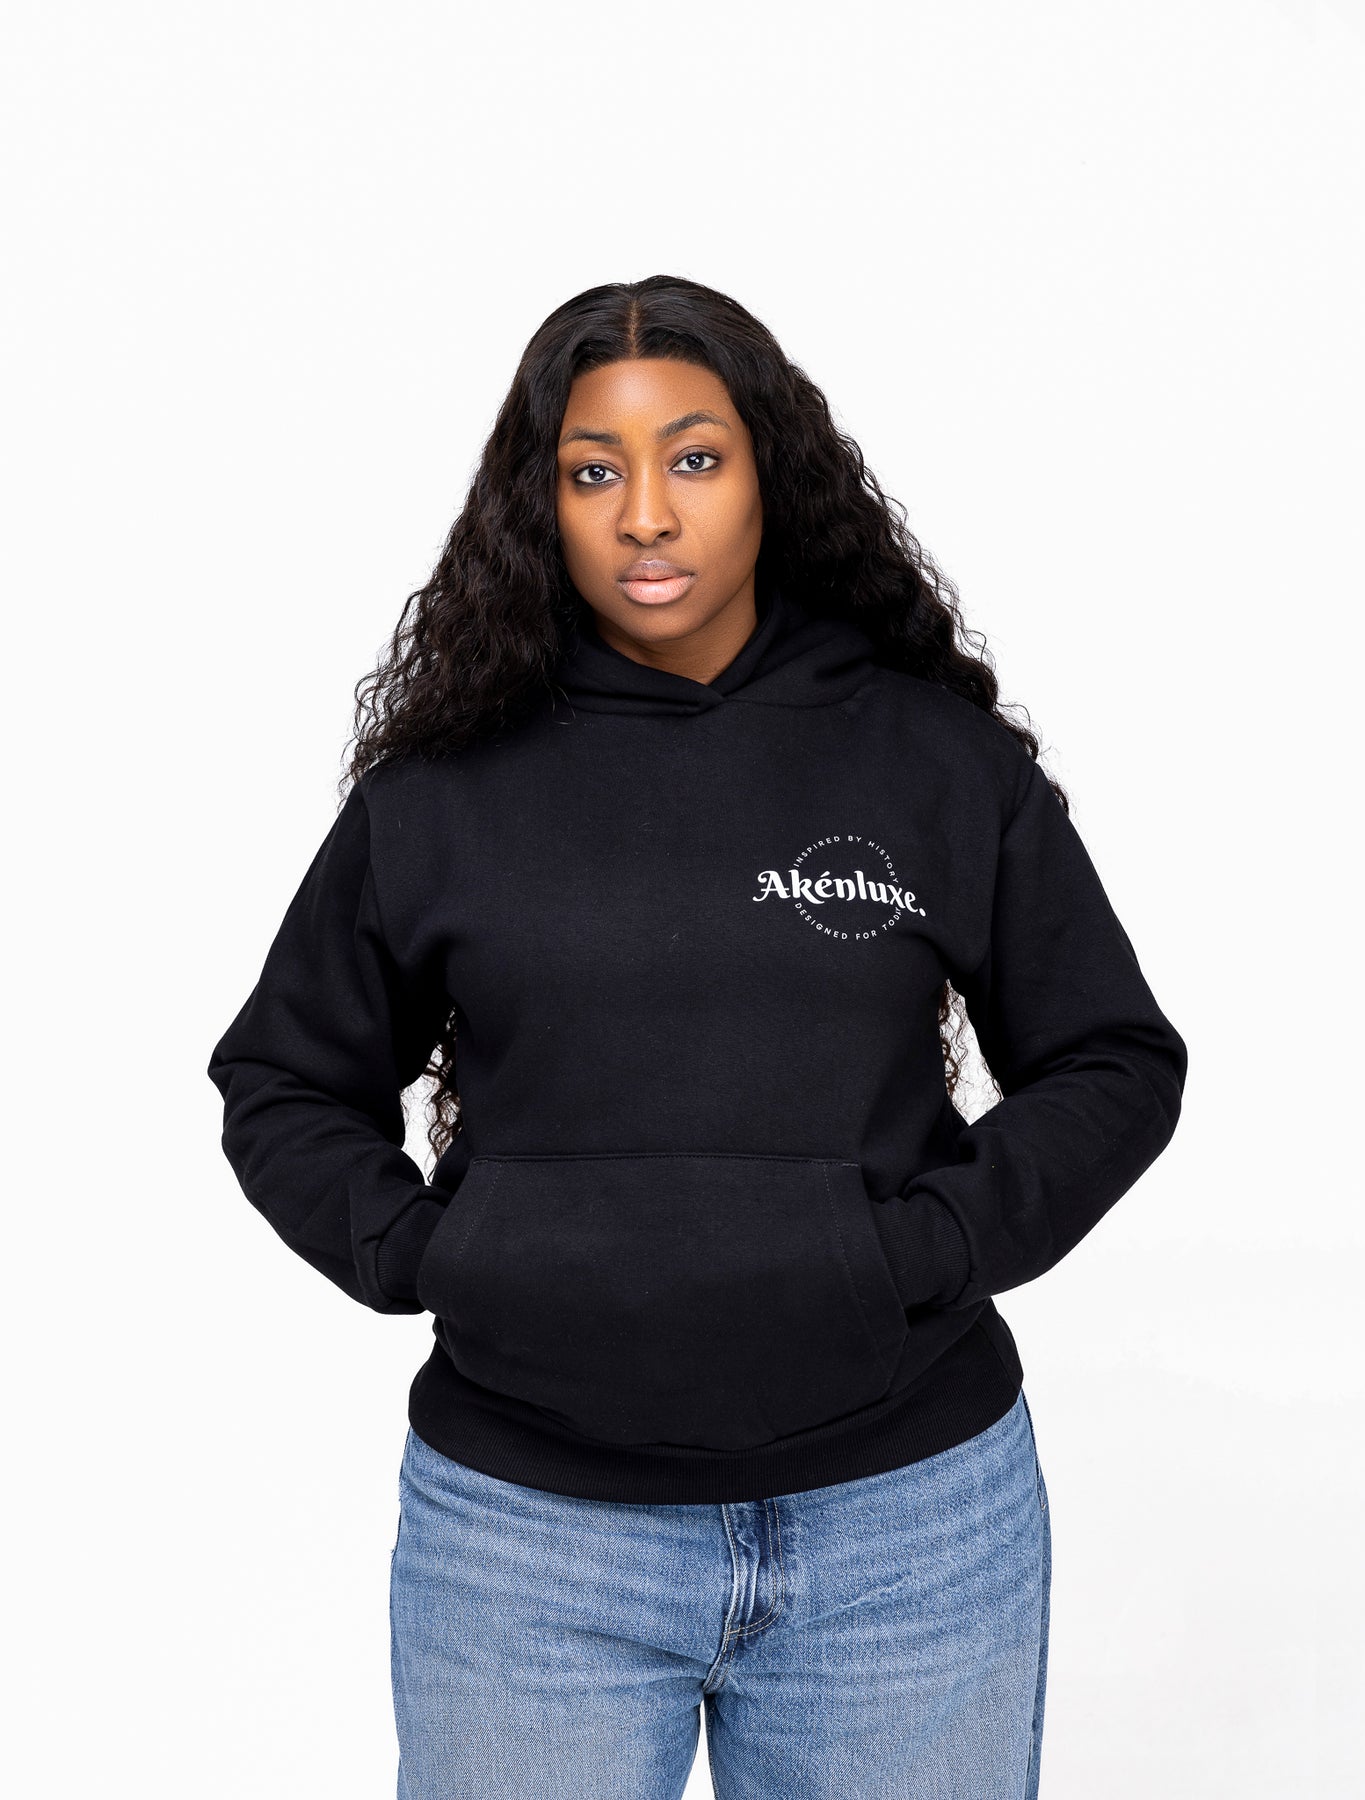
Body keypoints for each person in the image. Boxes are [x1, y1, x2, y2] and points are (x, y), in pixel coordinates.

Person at [207, 274, 1188, 1799]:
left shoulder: (931, 761)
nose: (646, 515)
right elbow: (284, 1078)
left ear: (767, 475)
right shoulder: (442, 792)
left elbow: (1111, 1062)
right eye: (592, 471)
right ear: (540, 504)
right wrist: (425, 1254)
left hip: (907, 1528)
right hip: (528, 1540)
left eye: (695, 459)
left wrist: (923, 1248)